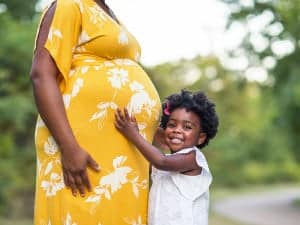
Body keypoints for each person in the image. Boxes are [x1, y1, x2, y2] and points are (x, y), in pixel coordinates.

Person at [30, 0, 161, 224]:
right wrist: (69, 147)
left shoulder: (108, 11)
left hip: (120, 150)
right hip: (82, 143)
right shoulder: (70, 4)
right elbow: (41, 74)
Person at [114, 89, 219, 225]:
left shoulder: (193, 159)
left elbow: (161, 161)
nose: (177, 130)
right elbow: (146, 161)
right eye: (172, 124)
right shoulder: (167, 161)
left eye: (187, 127)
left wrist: (134, 135)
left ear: (201, 137)